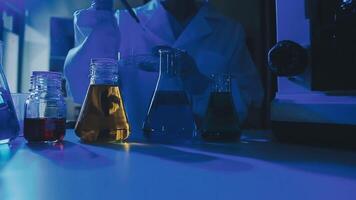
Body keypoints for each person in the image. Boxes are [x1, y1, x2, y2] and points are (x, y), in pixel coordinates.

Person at [64, 0, 264, 132]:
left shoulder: (229, 32)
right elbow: (83, 90)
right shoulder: (122, 21)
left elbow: (250, 104)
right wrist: (102, 9)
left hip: (209, 157)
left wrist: (201, 84)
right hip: (137, 155)